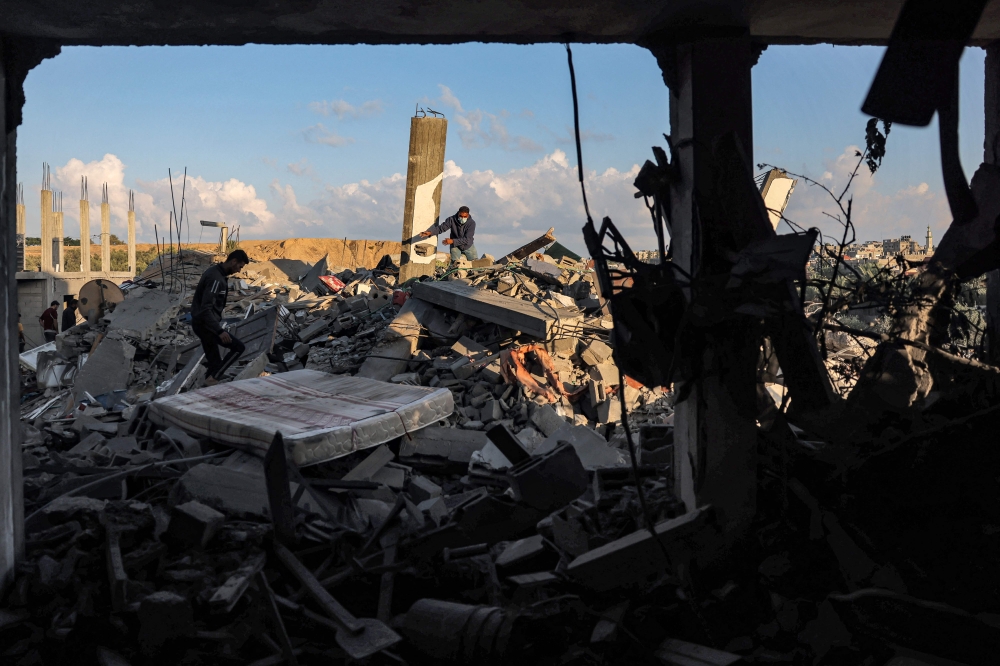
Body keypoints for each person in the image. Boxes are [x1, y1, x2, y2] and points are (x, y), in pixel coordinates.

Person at [191, 249, 250, 385]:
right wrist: (219, 330)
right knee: (238, 348)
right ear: (233, 261)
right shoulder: (216, 279)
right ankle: (213, 378)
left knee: (215, 361)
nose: (239, 270)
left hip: (202, 323)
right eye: (239, 266)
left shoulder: (217, 273)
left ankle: (206, 385)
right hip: (205, 325)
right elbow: (206, 309)